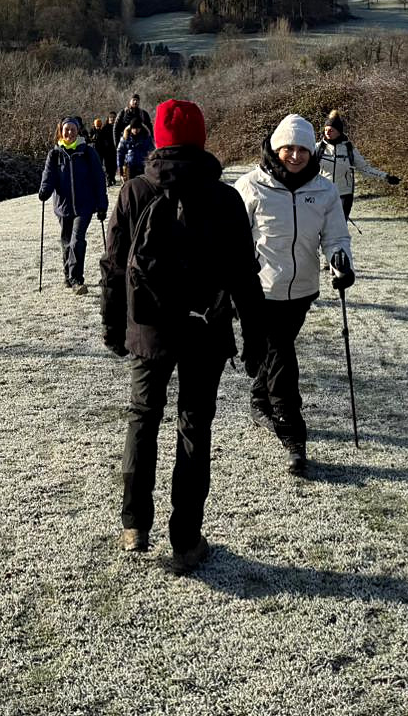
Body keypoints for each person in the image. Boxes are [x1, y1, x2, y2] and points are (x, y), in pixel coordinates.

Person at [100, 99, 265, 571]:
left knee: (142, 418)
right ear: (202, 139)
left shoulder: (134, 192)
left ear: (157, 138)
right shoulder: (226, 197)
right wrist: (256, 341)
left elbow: (113, 268)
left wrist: (113, 328)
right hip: (205, 330)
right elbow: (244, 278)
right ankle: (187, 540)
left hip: (147, 328)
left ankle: (134, 524)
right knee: (194, 427)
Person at [234, 113, 354, 473]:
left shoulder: (324, 190)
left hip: (302, 289)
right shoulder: (251, 186)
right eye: (289, 148)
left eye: (302, 149)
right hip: (260, 290)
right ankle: (293, 436)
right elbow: (234, 240)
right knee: (282, 357)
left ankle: (259, 401)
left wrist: (341, 264)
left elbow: (336, 237)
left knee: (275, 353)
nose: (296, 155)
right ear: (276, 147)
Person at [38, 116, 108, 295]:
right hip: (63, 206)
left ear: (78, 131)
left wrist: (102, 204)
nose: (69, 132)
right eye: (66, 129)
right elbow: (49, 176)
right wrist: (45, 190)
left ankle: (77, 279)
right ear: (61, 131)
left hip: (85, 206)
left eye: (73, 129)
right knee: (66, 242)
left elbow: (99, 178)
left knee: (77, 240)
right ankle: (67, 276)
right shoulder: (55, 154)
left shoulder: (87, 152)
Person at [315, 109, 399, 221]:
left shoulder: (349, 149)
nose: (327, 133)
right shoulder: (317, 148)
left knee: (340, 227)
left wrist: (386, 177)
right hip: (322, 192)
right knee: (322, 225)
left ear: (339, 131)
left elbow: (364, 169)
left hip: (344, 194)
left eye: (331, 130)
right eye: (325, 130)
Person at [90, 117, 116, 187]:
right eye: (97, 126)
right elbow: (89, 139)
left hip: (103, 151)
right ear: (94, 125)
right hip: (94, 150)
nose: (98, 127)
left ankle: (108, 180)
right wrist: (92, 138)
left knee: (104, 166)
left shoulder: (103, 131)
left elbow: (105, 140)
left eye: (99, 126)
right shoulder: (92, 130)